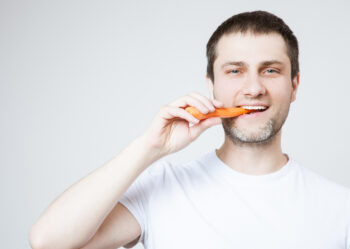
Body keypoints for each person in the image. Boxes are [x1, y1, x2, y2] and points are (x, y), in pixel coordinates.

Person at [29, 10, 350, 249]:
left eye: (270, 70)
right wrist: (149, 147)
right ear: (212, 85)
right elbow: (47, 241)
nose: (253, 88)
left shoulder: (340, 208)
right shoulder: (162, 188)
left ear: (294, 86)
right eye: (235, 70)